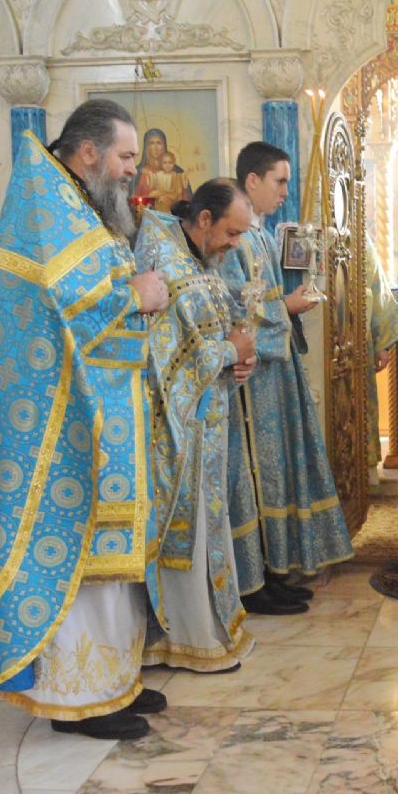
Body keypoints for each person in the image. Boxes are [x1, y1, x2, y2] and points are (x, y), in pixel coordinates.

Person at [0, 99, 171, 740]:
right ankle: (74, 701)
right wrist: (136, 294)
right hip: (59, 428)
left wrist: (137, 296)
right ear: (87, 153)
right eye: (126, 156)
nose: (133, 169)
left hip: (99, 419)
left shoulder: (75, 202)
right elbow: (64, 308)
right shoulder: (45, 205)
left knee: (107, 569)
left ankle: (111, 683)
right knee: (74, 563)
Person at [222, 141, 353, 613]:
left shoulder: (258, 233)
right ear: (252, 180)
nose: (284, 192)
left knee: (274, 474)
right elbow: (232, 309)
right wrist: (288, 307)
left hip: (274, 376)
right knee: (255, 476)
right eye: (279, 182)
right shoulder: (234, 236)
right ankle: (253, 581)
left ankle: (274, 569)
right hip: (250, 380)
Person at [135, 180, 259, 672]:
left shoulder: (201, 260)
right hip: (174, 431)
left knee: (209, 525)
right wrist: (229, 352)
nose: (235, 244)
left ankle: (210, 626)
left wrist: (239, 360)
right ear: (204, 219)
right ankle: (183, 637)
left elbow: (216, 332)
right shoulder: (163, 260)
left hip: (207, 423)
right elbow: (161, 361)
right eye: (231, 233)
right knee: (186, 530)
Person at [366, 236, 398, 469]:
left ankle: (365, 470)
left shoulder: (358, 237)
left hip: (357, 344)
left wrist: (381, 343)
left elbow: (377, 286)